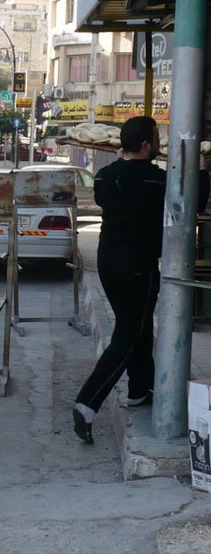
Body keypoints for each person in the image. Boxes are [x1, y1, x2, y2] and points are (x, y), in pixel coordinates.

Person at [73, 116, 210, 444]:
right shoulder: (154, 180)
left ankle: (140, 388)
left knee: (137, 326)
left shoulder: (105, 176)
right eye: (156, 139)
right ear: (147, 144)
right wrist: (202, 167)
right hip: (138, 266)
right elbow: (193, 201)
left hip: (108, 262)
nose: (160, 144)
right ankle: (87, 403)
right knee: (127, 335)